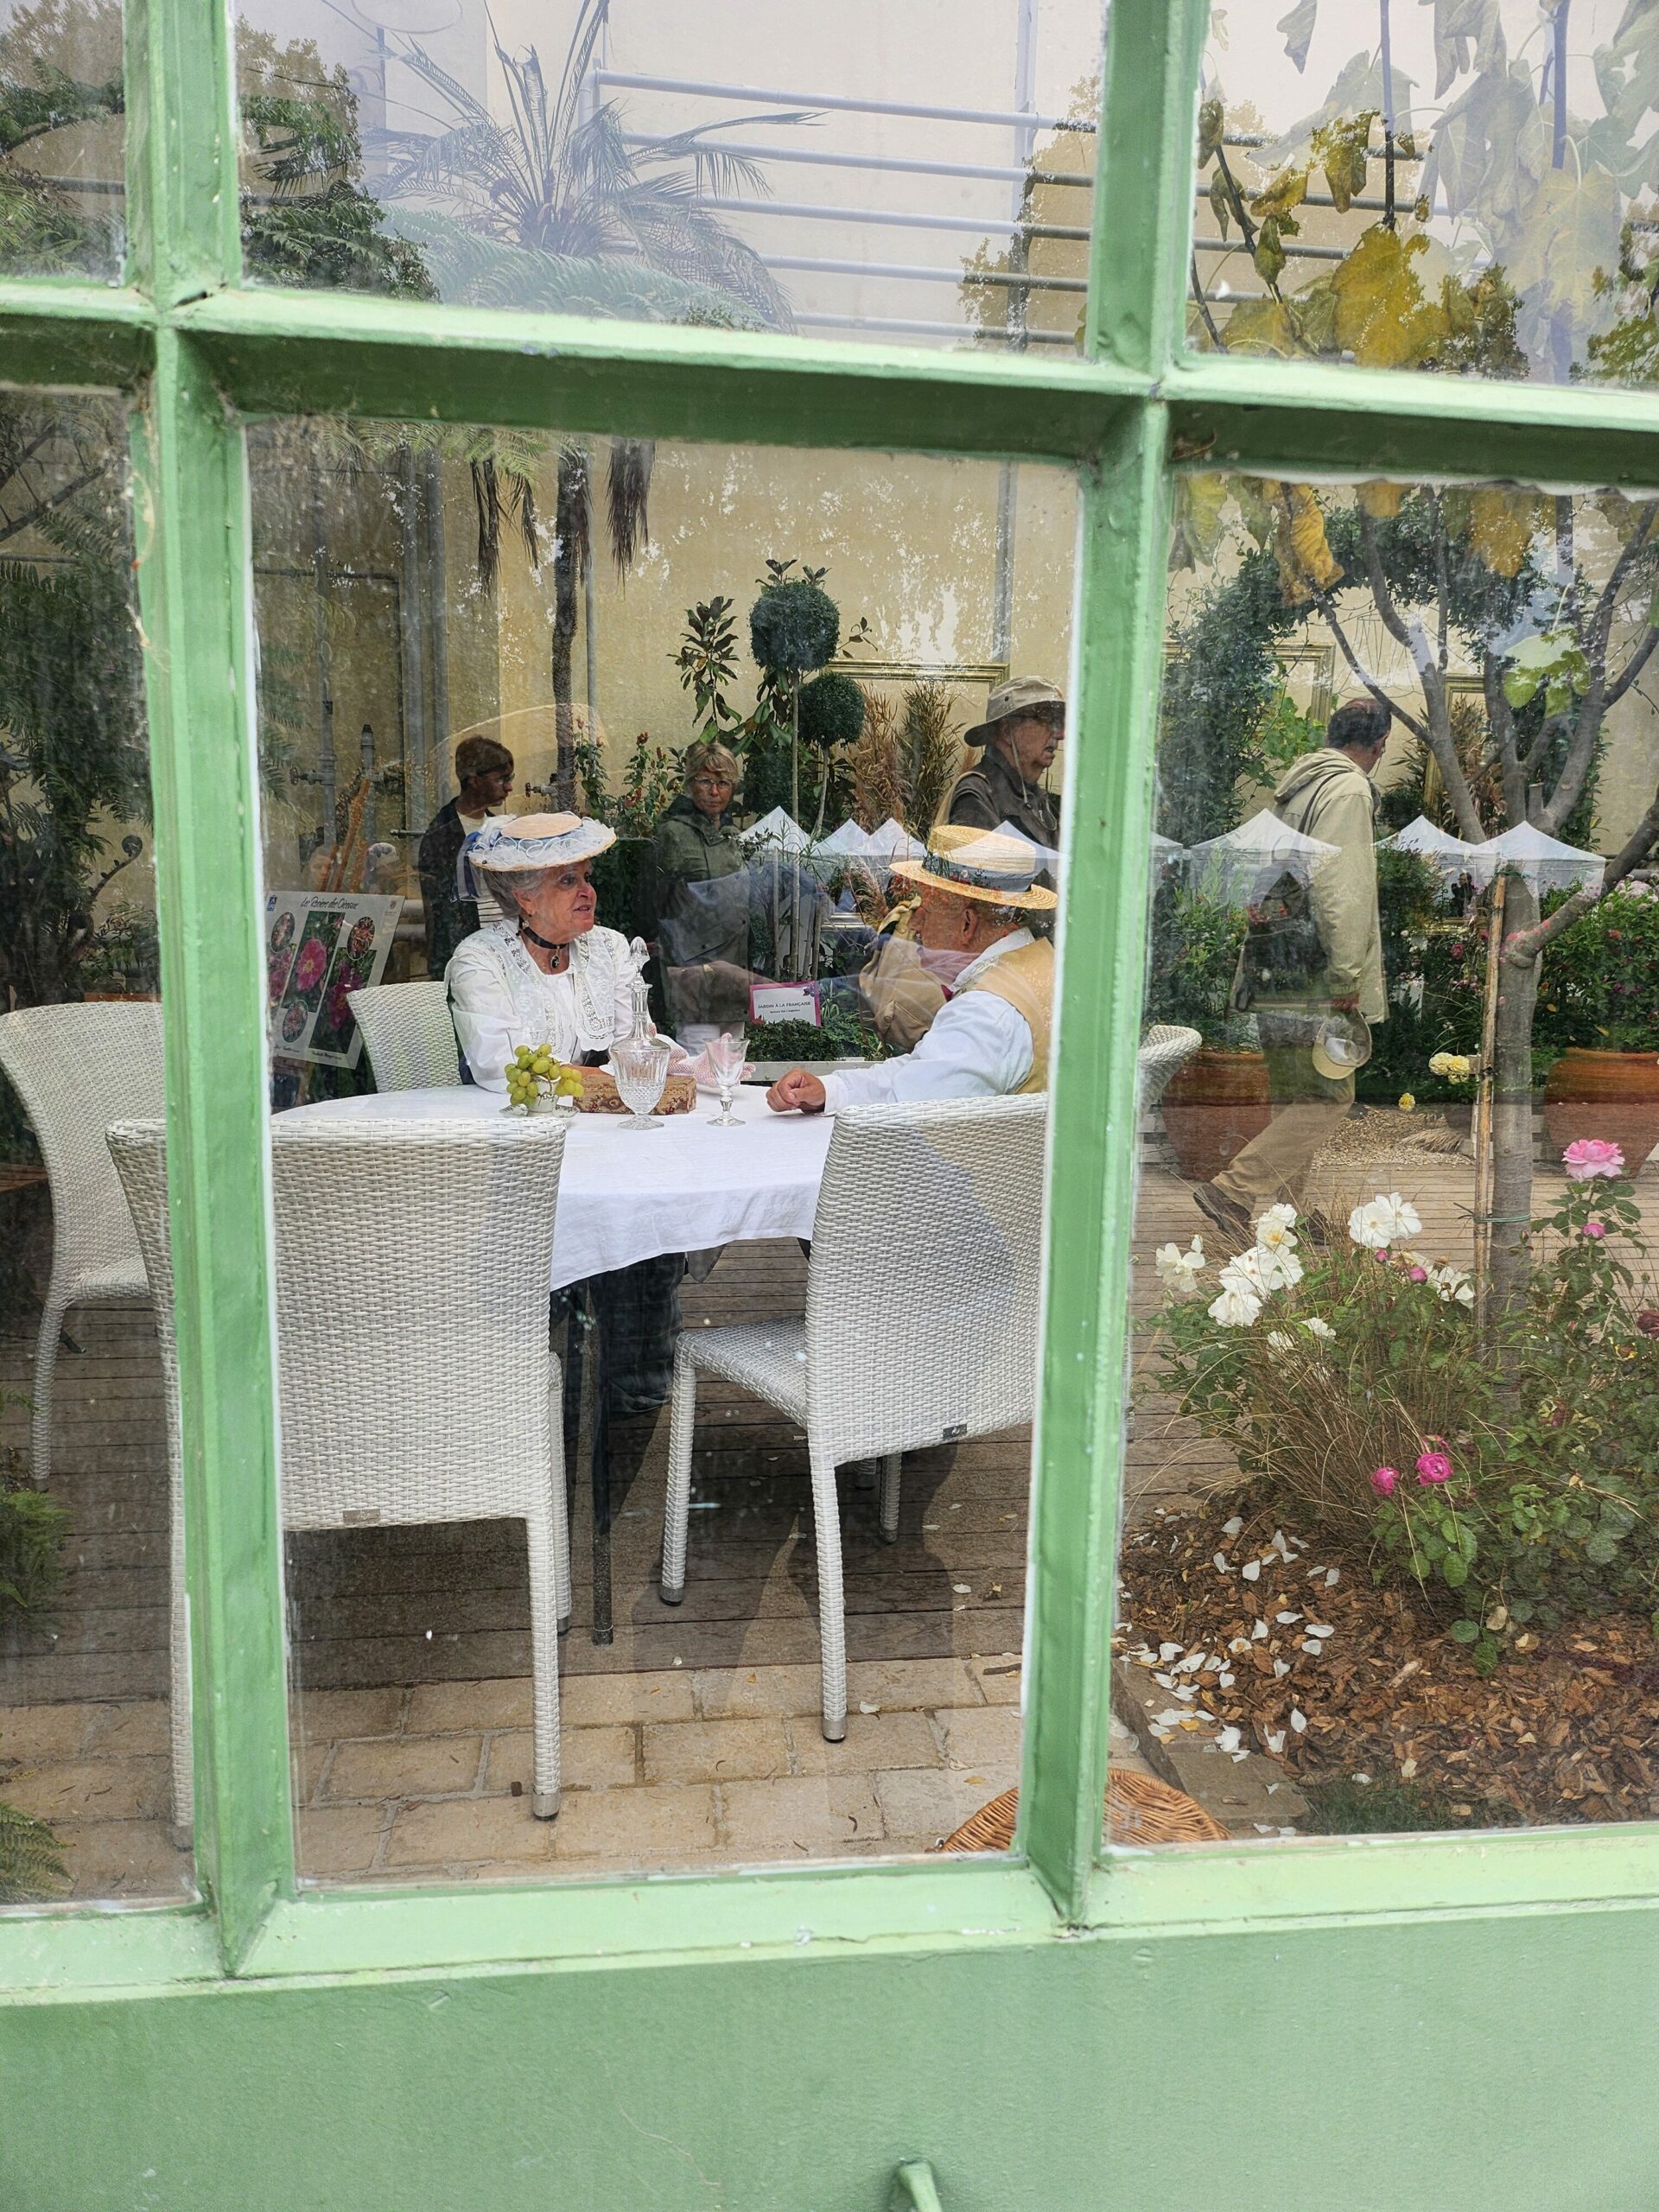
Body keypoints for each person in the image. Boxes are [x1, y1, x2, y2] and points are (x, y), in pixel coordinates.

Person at [447, 811, 689, 1417]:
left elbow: (636, 1037)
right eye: (567, 881)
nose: (588, 892)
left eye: (586, 877)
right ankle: (528, 1388)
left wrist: (682, 1064)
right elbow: (500, 1065)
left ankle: (638, 1389)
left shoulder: (608, 947)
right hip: (519, 1152)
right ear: (523, 900)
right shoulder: (481, 959)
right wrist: (615, 1079)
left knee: (653, 1206)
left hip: (605, 1139)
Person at [1195, 696, 1393, 1238]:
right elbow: (1341, 889)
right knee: (1329, 1098)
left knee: (1296, 1097)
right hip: (1314, 973)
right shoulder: (1348, 789)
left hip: (1273, 966)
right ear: (1379, 746)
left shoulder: (1297, 786)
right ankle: (1233, 1189)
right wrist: (1347, 975)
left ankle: (1291, 1218)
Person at [766, 826, 1055, 1116]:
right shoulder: (1041, 963)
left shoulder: (986, 1011)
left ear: (967, 924)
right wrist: (832, 1090)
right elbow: (927, 1068)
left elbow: (909, 1116)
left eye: (924, 912)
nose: (914, 924)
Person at [647, 740, 751, 1035]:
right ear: (691, 783)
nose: (714, 792)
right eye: (706, 781)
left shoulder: (732, 836)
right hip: (692, 972)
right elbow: (654, 903)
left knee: (733, 1058)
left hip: (733, 972)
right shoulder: (673, 835)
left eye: (723, 783)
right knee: (698, 1057)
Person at [416, 734, 515, 977]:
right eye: (501, 779)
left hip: (506, 949)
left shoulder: (499, 826)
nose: (509, 787)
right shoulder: (442, 834)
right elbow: (441, 915)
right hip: (467, 958)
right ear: (475, 781)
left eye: (509, 779)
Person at [946, 676, 1065, 857]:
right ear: (1006, 731)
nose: (1060, 734)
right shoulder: (977, 795)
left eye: (1059, 723)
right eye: (1047, 720)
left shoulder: (1035, 796)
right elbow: (985, 872)